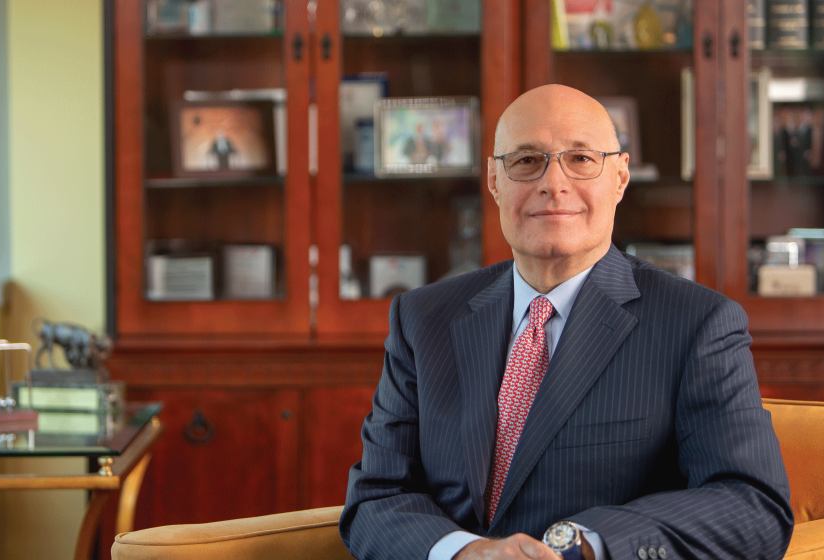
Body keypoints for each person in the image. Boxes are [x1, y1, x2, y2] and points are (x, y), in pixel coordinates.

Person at [339, 84, 793, 560]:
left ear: (620, 176)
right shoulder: (422, 318)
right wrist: (464, 553)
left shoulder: (699, 323)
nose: (553, 184)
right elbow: (377, 496)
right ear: (494, 181)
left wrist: (585, 546)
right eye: (526, 160)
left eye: (580, 159)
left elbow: (752, 504)